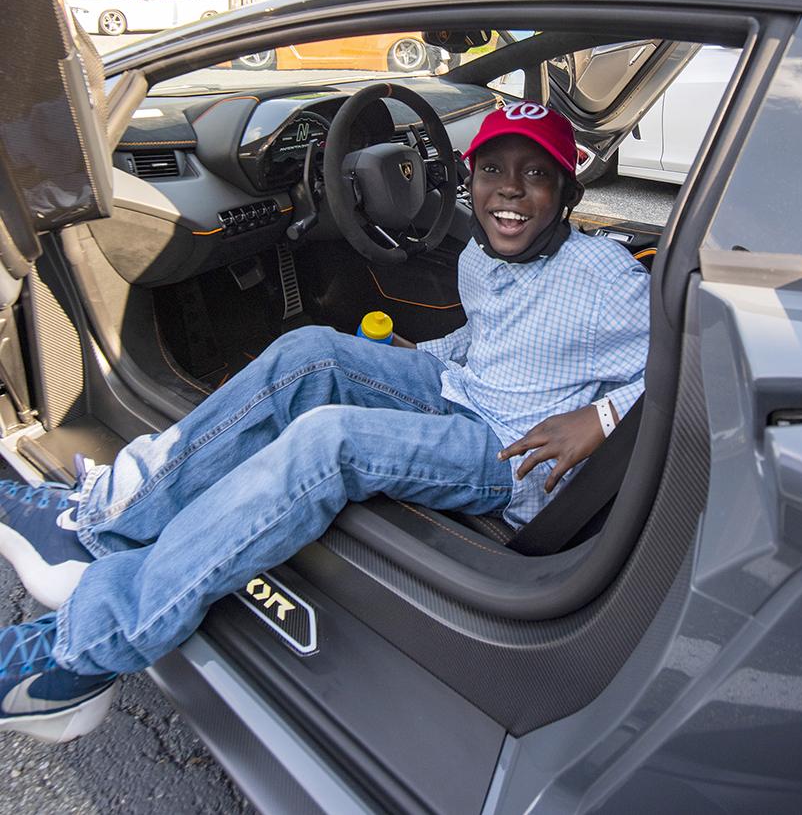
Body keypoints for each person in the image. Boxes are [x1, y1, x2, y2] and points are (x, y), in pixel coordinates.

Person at [0, 104, 650, 742]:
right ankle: (104, 517)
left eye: (536, 174)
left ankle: (87, 648)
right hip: (462, 390)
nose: (509, 189)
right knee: (309, 352)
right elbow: (487, 341)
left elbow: (691, 364)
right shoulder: (481, 255)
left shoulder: (606, 277)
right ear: (469, 178)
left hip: (515, 451)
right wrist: (415, 357)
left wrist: (601, 416)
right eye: (492, 170)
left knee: (329, 441)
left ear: (567, 192)